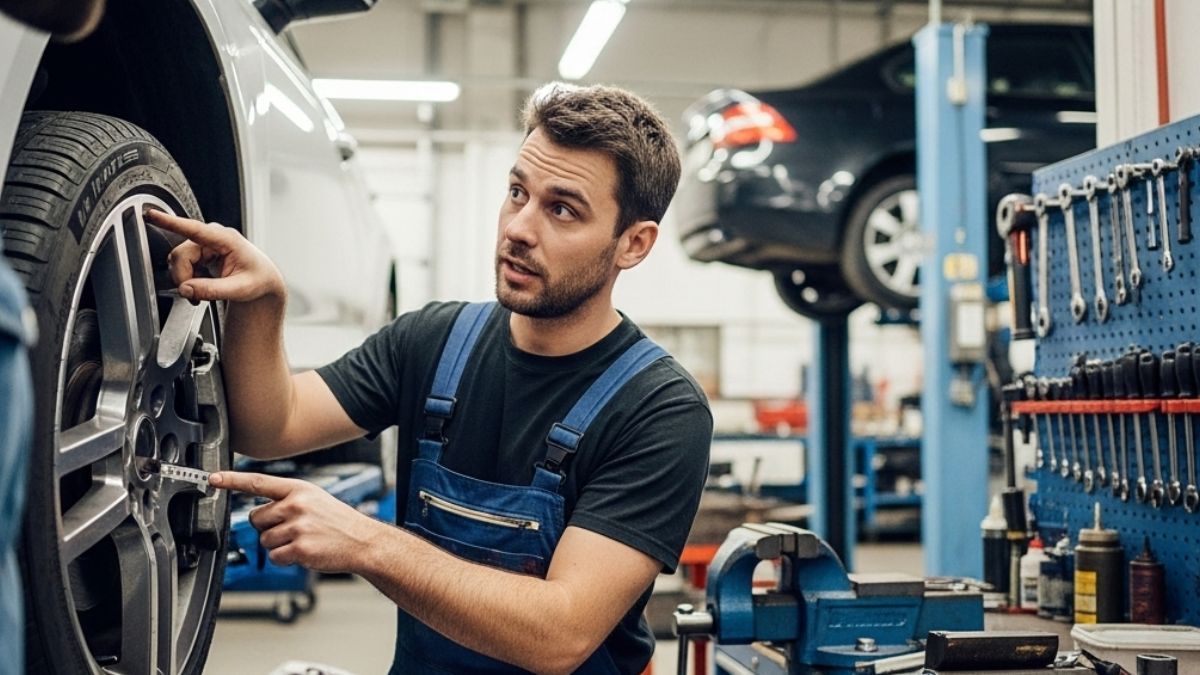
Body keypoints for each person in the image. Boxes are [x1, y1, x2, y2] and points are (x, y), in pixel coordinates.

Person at [147, 82, 712, 675]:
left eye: (562, 209)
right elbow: (272, 425)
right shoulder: (434, 341)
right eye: (517, 192)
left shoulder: (660, 410)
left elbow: (561, 633)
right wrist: (262, 305)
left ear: (634, 244)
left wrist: (367, 543)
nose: (519, 228)